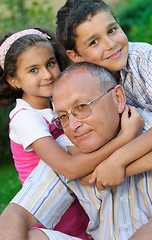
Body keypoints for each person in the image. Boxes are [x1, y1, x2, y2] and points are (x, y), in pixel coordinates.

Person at [0, 28, 143, 239]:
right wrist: (125, 139)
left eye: (50, 63)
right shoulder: (24, 117)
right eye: (33, 70)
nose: (47, 74)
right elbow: (70, 168)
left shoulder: (56, 106)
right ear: (14, 80)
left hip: (81, 200)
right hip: (55, 210)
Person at [56, 0, 152, 186]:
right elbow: (83, 173)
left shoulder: (143, 58)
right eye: (94, 42)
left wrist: (118, 162)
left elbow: (91, 175)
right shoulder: (75, 88)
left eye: (112, 30)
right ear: (75, 57)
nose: (110, 44)